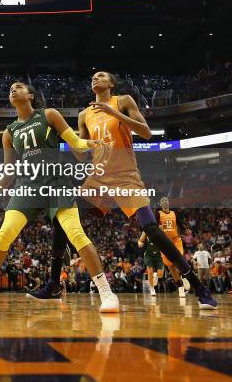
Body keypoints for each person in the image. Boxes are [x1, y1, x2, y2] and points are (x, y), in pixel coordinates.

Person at [0, 82, 119, 313]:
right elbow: (9, 171)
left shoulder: (49, 115)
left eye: (18, 87)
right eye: (10, 89)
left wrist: (92, 143)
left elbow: (75, 142)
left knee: (76, 234)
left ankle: (106, 292)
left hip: (56, 183)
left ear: (31, 95)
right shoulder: (9, 133)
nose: (13, 90)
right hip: (27, 185)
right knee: (5, 234)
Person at [77, 71, 217, 309]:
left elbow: (146, 132)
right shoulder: (84, 114)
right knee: (63, 216)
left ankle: (197, 284)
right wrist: (74, 141)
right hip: (98, 176)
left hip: (125, 174)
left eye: (101, 75)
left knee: (151, 228)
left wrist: (115, 114)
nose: (94, 77)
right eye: (92, 76)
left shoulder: (123, 101)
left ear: (111, 83)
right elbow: (81, 154)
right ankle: (54, 283)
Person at [156, 197, 190, 297]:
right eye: (162, 201)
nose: (165, 202)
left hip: (176, 240)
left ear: (169, 203)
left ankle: (185, 277)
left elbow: (180, 224)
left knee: (179, 260)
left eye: (166, 200)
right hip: (164, 242)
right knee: (170, 265)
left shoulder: (174, 213)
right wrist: (158, 227)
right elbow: (154, 225)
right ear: (160, 204)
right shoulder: (158, 214)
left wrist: (185, 230)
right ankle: (180, 287)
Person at [137, 232, 164, 296]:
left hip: (158, 255)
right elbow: (139, 241)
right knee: (150, 272)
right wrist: (140, 243)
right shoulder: (146, 231)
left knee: (160, 275)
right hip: (148, 255)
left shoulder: (160, 230)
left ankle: (156, 275)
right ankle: (152, 289)